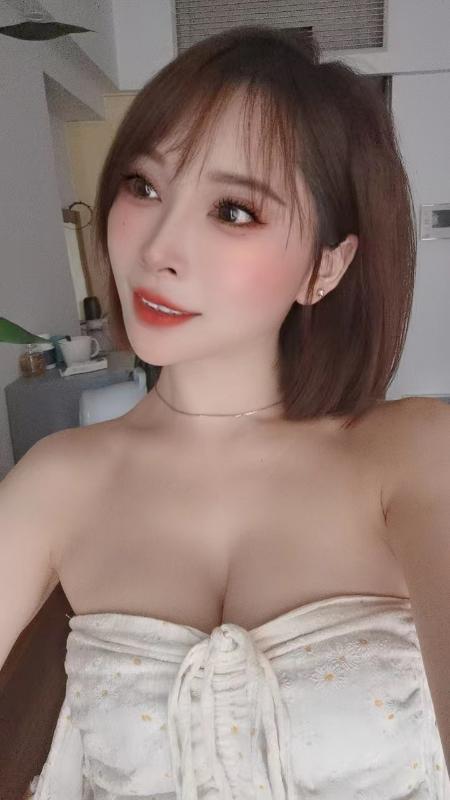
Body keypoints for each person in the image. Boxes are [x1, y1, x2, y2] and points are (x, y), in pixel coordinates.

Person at [2, 23, 449, 800]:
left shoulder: (410, 453)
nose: (157, 249)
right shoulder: (57, 481)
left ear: (327, 267)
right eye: (144, 186)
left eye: (234, 211)